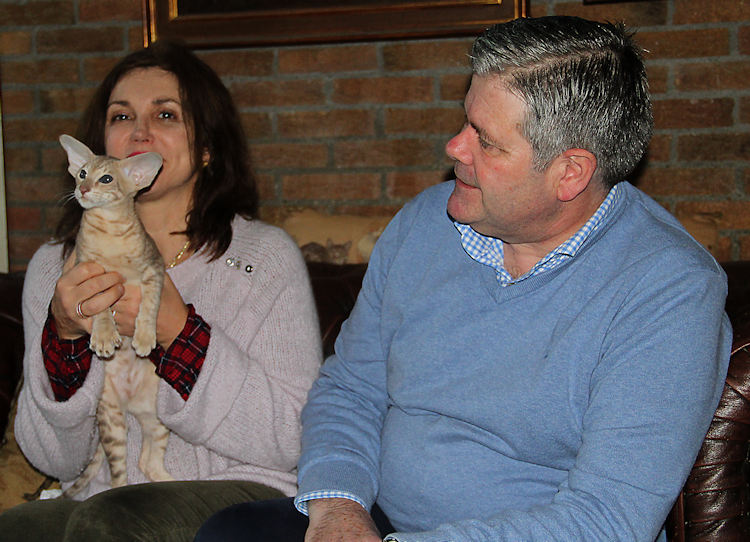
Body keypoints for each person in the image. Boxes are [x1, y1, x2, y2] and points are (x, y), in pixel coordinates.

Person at [193, 15, 733, 542]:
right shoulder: (425, 223)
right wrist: (339, 509)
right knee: (230, 533)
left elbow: (607, 520)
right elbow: (351, 388)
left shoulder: (669, 290)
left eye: (486, 140)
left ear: (570, 173)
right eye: (465, 121)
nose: (454, 147)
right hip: (373, 518)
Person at [0, 40, 322, 541]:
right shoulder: (54, 268)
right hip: (98, 501)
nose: (139, 132)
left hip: (240, 500)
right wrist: (64, 340)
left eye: (166, 114)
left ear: (208, 147)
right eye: (121, 116)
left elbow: (294, 438)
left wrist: (179, 333)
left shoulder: (264, 258)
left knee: (111, 522)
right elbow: (53, 460)